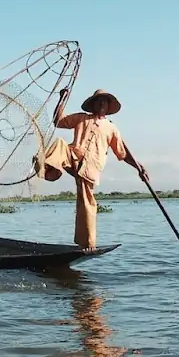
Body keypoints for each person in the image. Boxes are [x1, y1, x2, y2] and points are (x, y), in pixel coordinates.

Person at [43, 88, 147, 250]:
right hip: (73, 158)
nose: (101, 104)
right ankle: (51, 170)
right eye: (98, 101)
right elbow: (58, 121)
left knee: (86, 203)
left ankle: (87, 244)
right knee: (59, 144)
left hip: (90, 168)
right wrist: (62, 99)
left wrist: (138, 167)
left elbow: (123, 153)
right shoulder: (81, 118)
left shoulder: (111, 128)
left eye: (104, 101)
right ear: (93, 104)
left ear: (108, 106)